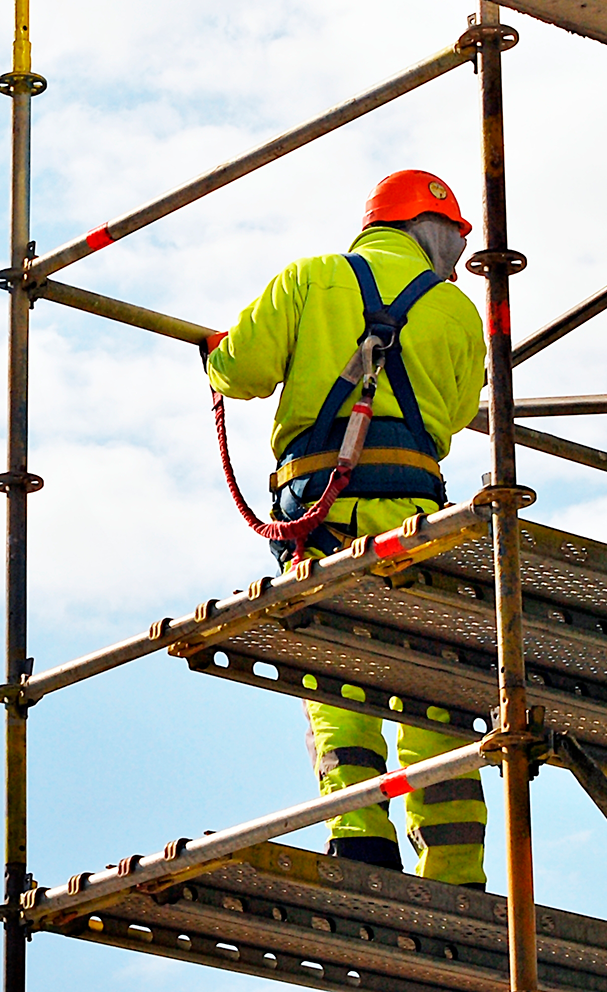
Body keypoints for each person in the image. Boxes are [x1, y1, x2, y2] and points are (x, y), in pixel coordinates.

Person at [205, 169, 489, 885]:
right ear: (433, 229)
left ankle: (361, 838)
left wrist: (216, 351)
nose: (460, 251)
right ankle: (455, 870)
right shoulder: (456, 311)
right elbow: (454, 413)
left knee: (340, 679)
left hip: (319, 519)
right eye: (457, 235)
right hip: (417, 518)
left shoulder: (309, 280)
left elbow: (239, 371)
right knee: (433, 686)